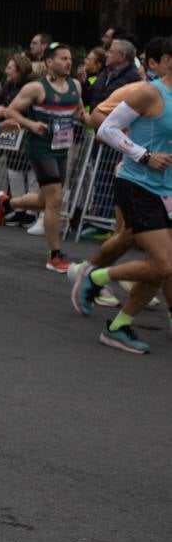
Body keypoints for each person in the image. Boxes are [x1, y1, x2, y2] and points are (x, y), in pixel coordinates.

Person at [72, 51, 172, 354]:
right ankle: (96, 275)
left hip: (166, 191)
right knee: (162, 264)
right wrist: (144, 155)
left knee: (164, 268)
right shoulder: (149, 93)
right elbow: (106, 128)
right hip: (137, 185)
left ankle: (119, 327)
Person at [0, 42, 87, 273]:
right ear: (48, 62)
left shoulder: (75, 85)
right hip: (39, 147)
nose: (68, 62)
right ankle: (55, 255)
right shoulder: (36, 88)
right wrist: (31, 124)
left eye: (70, 59)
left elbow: (81, 113)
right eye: (63, 58)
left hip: (61, 147)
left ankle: (7, 202)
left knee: (46, 199)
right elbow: (11, 110)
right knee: (55, 199)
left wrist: (106, 124)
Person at [89, 38, 140, 107]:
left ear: (122, 57)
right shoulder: (104, 72)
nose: (106, 55)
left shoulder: (134, 79)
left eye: (111, 52)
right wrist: (83, 83)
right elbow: (91, 95)